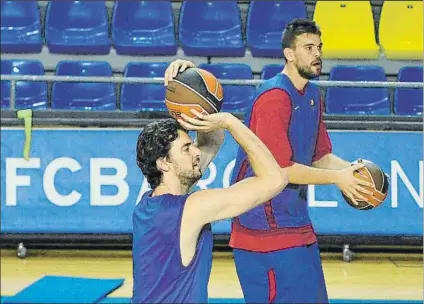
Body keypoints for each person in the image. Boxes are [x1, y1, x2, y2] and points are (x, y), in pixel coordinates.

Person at [165, 19, 372, 303]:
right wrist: (339, 178)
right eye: (308, 47)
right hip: (262, 229)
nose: (317, 54)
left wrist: (350, 170)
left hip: (296, 222)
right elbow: (281, 170)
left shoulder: (312, 94)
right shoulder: (274, 97)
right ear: (289, 54)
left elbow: (320, 156)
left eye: (319, 47)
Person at [132, 65, 289, 302]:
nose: (195, 151)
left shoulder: (146, 204)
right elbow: (276, 179)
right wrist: (232, 123)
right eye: (186, 148)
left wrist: (190, 77)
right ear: (164, 163)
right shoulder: (192, 208)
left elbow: (210, 142)